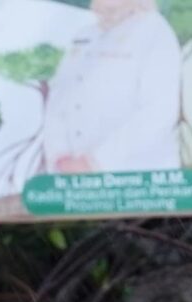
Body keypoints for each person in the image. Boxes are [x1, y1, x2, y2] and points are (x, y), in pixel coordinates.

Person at [39, 0, 184, 176]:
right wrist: (59, 156)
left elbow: (158, 113)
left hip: (136, 182)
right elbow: (59, 99)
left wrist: (94, 162)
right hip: (73, 179)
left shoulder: (156, 32)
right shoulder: (84, 35)